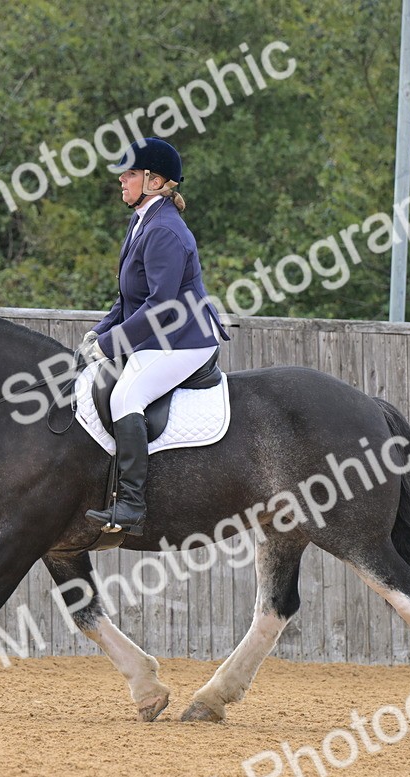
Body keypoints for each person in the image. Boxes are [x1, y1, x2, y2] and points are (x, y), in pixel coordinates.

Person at [80, 138, 229, 536]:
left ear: (154, 180)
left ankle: (131, 505)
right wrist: (100, 331)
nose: (121, 179)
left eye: (129, 173)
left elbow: (161, 307)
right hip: (162, 335)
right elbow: (131, 297)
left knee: (126, 395)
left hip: (186, 339)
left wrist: (110, 346)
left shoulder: (164, 230)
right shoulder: (143, 219)